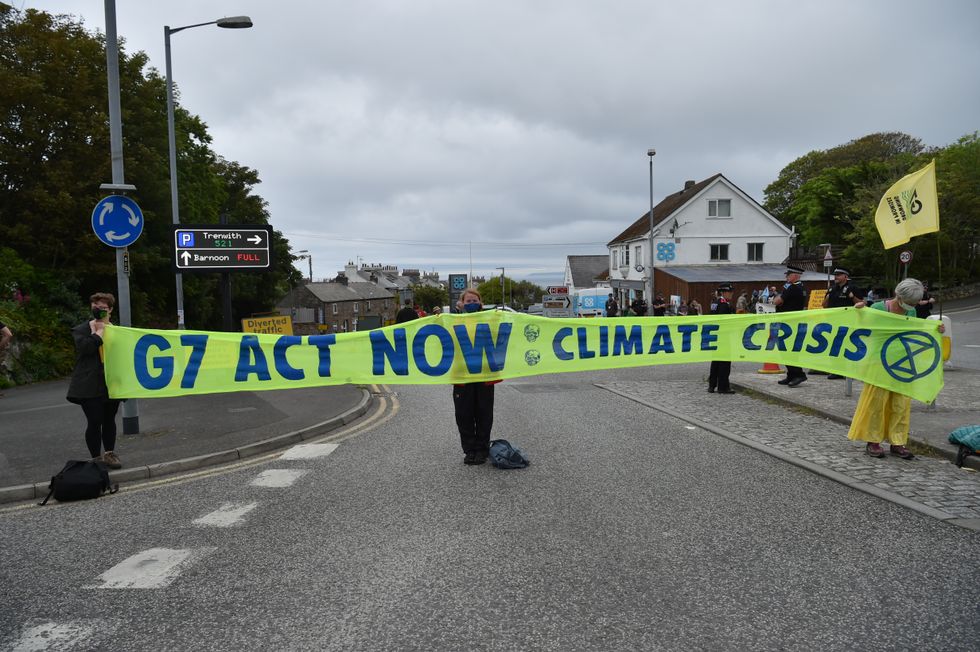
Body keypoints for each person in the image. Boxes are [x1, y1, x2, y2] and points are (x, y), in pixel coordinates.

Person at [847, 278, 944, 459]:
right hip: (878, 363)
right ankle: (873, 441)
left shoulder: (912, 311)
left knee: (901, 404)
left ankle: (898, 441)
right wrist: (858, 313)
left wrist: (936, 329)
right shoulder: (878, 309)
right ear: (898, 296)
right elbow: (861, 329)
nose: (910, 306)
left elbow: (914, 333)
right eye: (908, 302)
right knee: (876, 403)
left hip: (903, 364)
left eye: (913, 303)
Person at [66, 292, 123, 469]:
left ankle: (109, 454)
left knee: (109, 419)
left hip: (111, 382)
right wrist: (98, 333)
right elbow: (85, 348)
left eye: (103, 308)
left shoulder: (118, 331)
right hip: (88, 383)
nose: (98, 310)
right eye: (95, 307)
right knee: (94, 420)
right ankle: (96, 459)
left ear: (111, 310)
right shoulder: (81, 329)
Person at [452, 289, 499, 465]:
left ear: (480, 303)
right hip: (462, 377)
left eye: (475, 300)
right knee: (464, 415)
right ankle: (469, 450)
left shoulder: (490, 320)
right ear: (461, 303)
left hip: (485, 376)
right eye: (468, 300)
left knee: (484, 415)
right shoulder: (452, 322)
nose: (471, 303)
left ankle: (482, 450)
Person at [822, 267, 862, 379]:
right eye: (835, 275)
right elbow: (824, 305)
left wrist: (852, 297)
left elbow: (862, 304)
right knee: (834, 346)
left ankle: (849, 371)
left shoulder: (852, 288)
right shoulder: (832, 289)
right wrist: (828, 297)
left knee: (847, 346)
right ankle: (836, 370)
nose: (836, 277)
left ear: (845, 276)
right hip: (833, 322)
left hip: (848, 322)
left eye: (839, 275)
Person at [774, 265, 808, 387]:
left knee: (788, 349)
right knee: (786, 349)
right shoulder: (800, 287)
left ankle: (798, 374)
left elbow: (777, 301)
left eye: (788, 275)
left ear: (795, 275)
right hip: (791, 322)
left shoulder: (793, 287)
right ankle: (791, 374)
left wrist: (777, 297)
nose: (786, 277)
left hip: (789, 323)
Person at [707, 284, 735, 394]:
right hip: (723, 336)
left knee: (716, 361)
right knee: (724, 362)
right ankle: (723, 387)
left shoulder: (715, 303)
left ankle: (712, 385)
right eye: (730, 292)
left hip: (716, 336)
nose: (732, 294)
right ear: (723, 292)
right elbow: (724, 321)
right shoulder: (723, 305)